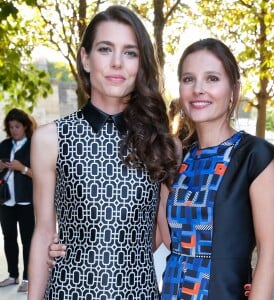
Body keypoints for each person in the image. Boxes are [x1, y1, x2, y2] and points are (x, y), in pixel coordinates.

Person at [28, 5, 179, 300]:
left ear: (141, 64)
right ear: (85, 58)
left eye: (130, 52)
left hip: (138, 292)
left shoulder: (163, 144)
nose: (117, 63)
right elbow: (44, 232)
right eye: (105, 49)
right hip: (68, 291)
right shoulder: (50, 139)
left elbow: (163, 234)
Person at [157, 38, 274, 299]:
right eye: (189, 79)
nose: (198, 89)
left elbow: (270, 257)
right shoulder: (177, 160)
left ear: (233, 89)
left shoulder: (254, 157)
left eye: (212, 78)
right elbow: (171, 241)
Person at [0, 108, 35, 293]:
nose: (14, 130)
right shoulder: (4, 145)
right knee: (9, 238)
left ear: (25, 126)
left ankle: (28, 279)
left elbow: (40, 175)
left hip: (26, 201)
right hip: (6, 200)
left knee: (28, 240)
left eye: (17, 126)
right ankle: (13, 274)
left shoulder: (33, 146)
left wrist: (22, 168)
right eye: (11, 126)